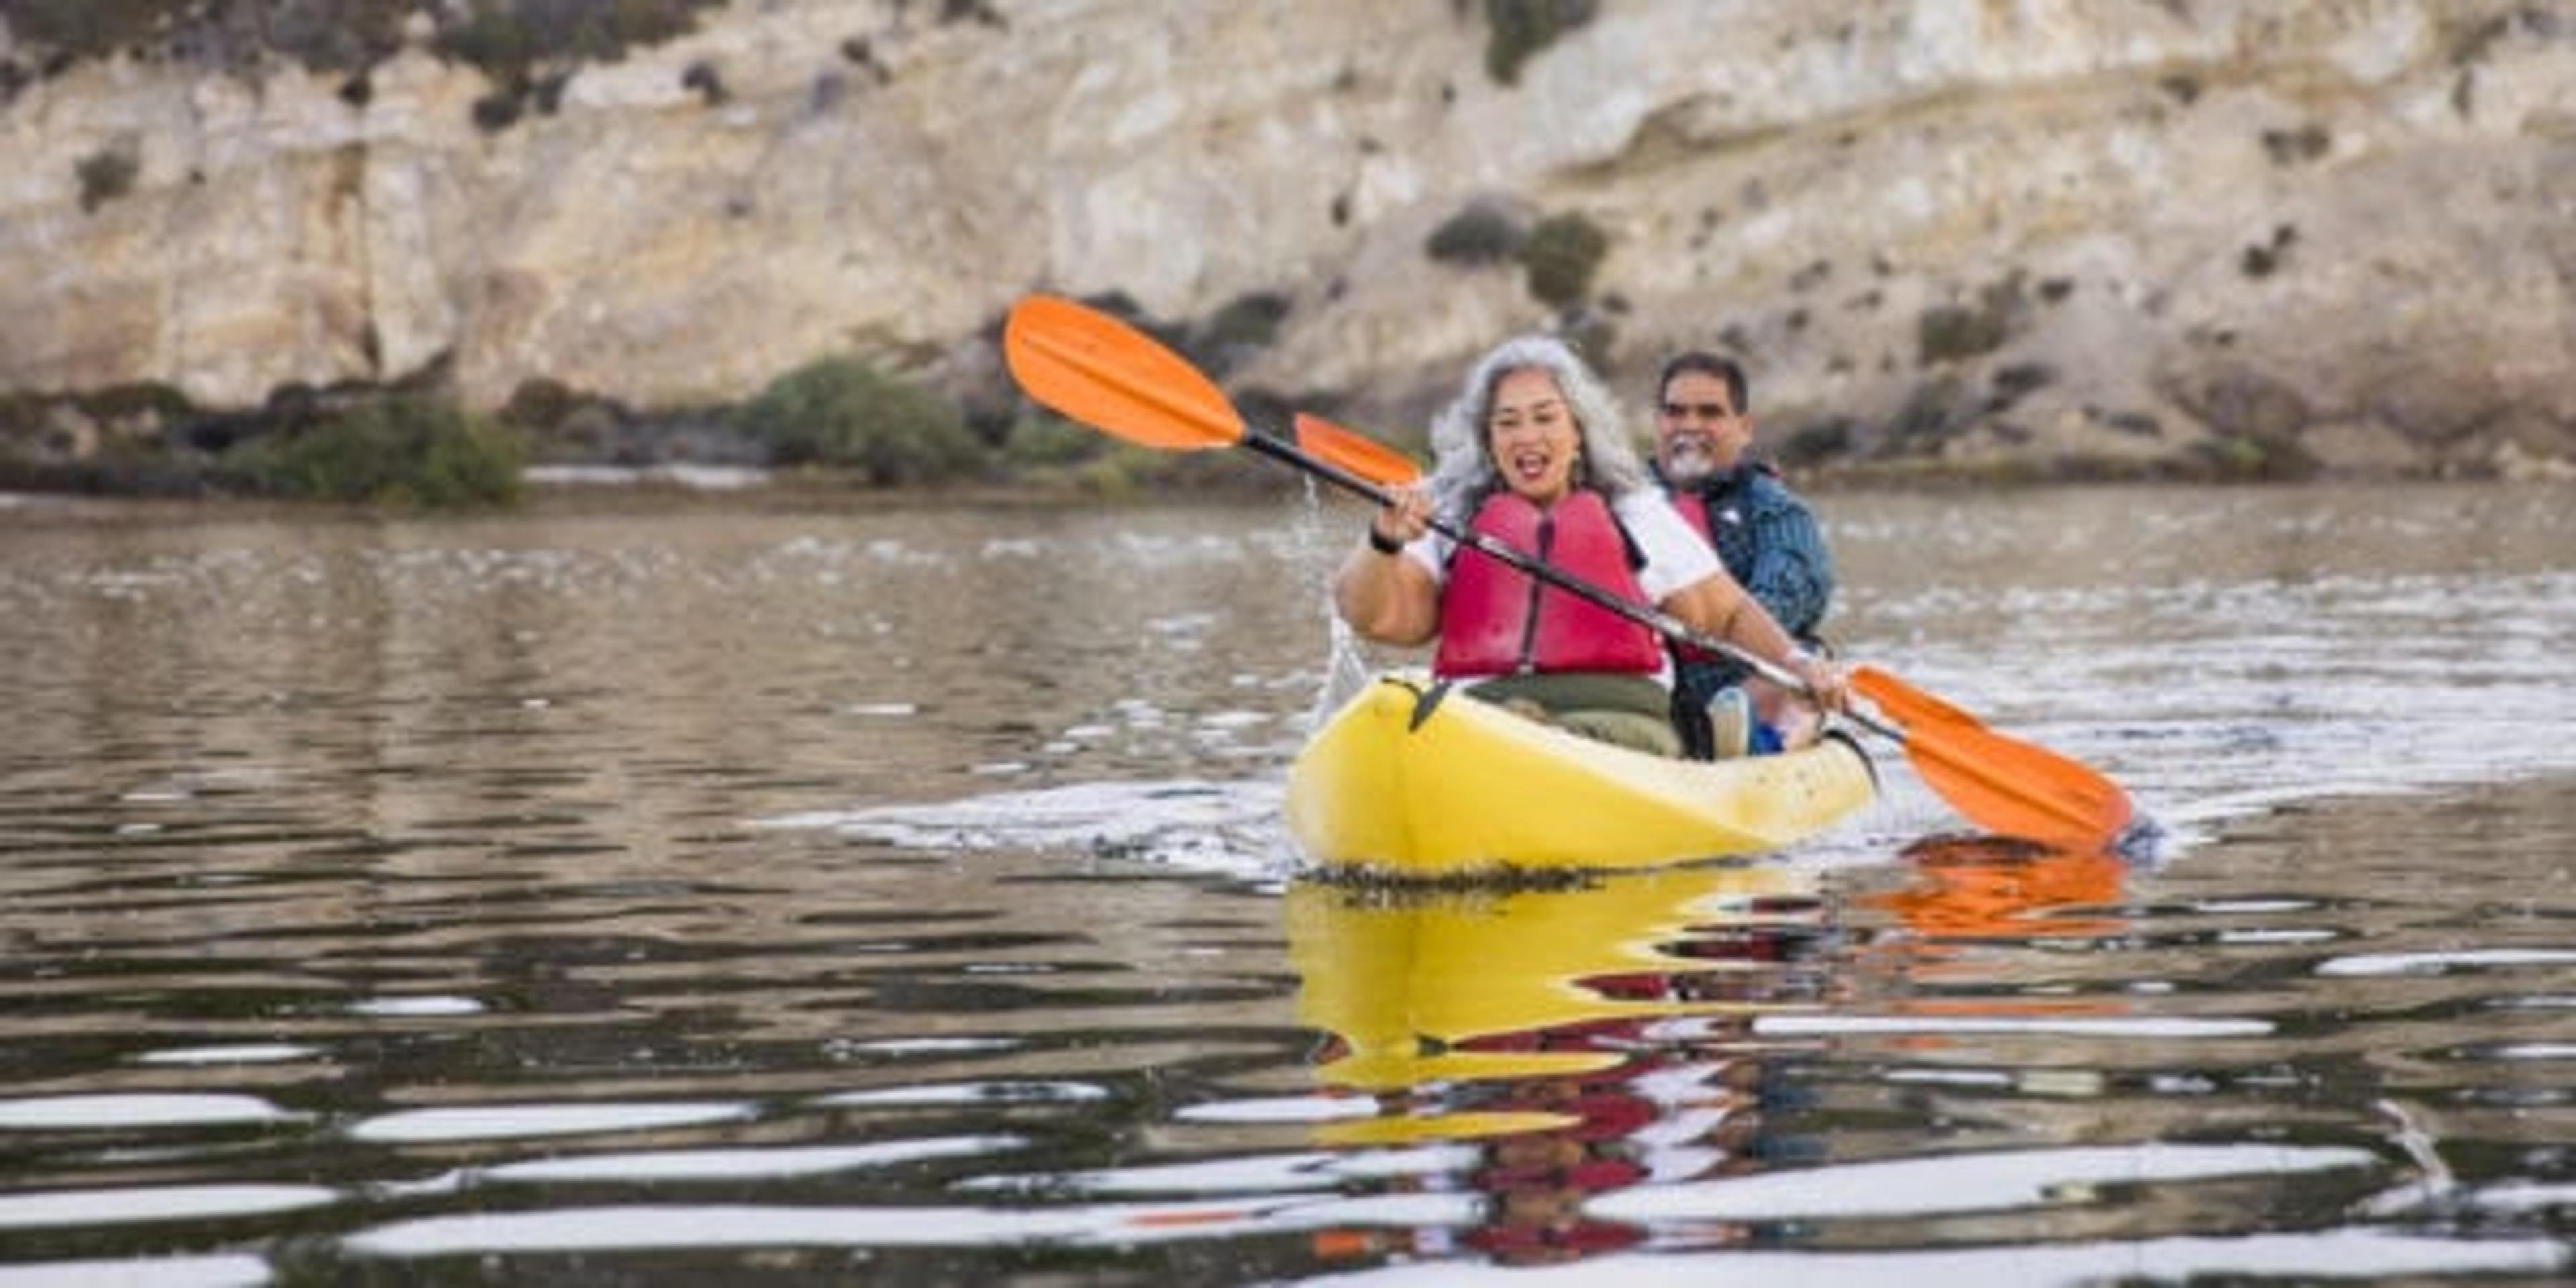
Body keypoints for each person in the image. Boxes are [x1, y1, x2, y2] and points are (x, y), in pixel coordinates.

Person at [1334, 335, 1843, 757]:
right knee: (1409, 713)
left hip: (1619, 722)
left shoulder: (1633, 512)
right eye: (1507, 423)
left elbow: (1727, 614)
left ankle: (1735, 735)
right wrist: (1382, 542)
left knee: (1531, 738)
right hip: (1479, 718)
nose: (1527, 436)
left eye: (1545, 417)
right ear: (1488, 439)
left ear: (1577, 430)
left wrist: (1799, 665)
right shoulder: (1444, 511)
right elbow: (1370, 615)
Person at [1649, 352, 1837, 756]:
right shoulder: (1621, 499)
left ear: (1744, 427)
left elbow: (1789, 595)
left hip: (1744, 680)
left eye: (1709, 413)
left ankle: (1760, 744)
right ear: (1658, 422)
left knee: (1801, 660)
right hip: (1653, 682)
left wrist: (1703, 613)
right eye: (1675, 412)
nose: (1690, 426)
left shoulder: (1775, 510)